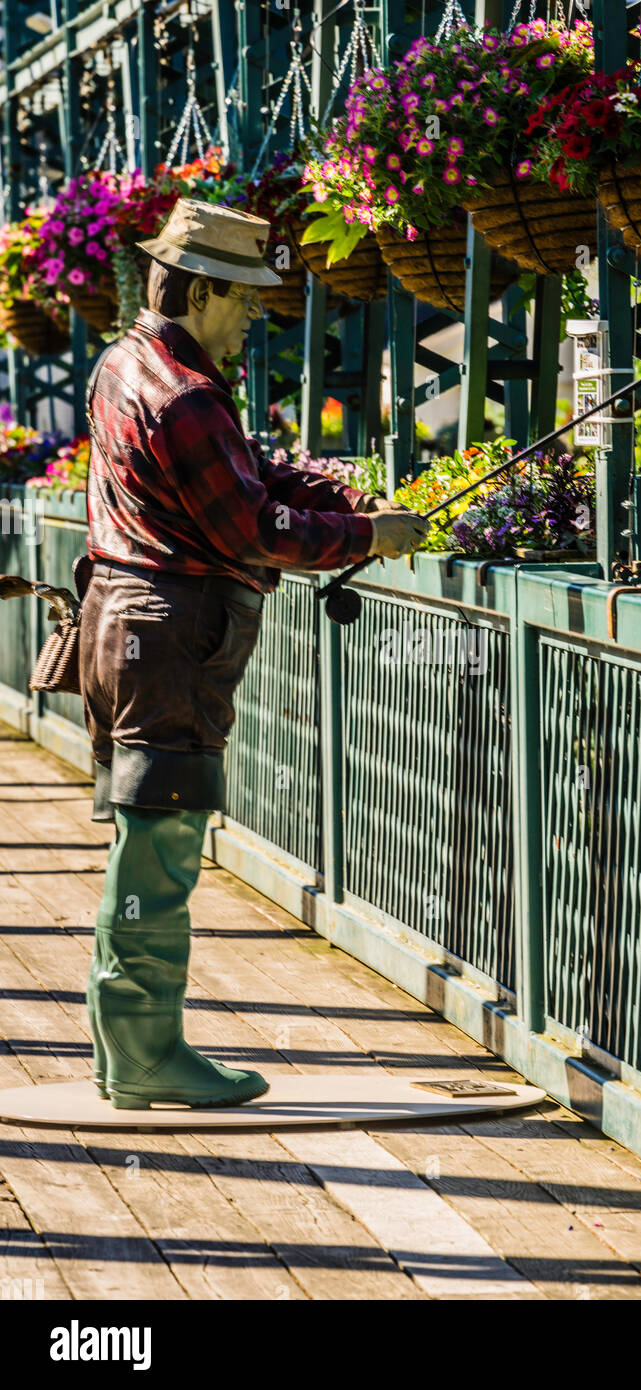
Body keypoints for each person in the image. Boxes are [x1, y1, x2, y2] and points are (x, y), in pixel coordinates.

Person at [79, 198, 429, 1110]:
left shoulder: (128, 362)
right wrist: (364, 534)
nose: (252, 317)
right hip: (174, 637)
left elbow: (230, 477)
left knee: (143, 835)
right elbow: (250, 529)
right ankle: (146, 1054)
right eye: (243, 299)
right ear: (199, 291)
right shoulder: (187, 392)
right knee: (161, 847)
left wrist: (321, 486)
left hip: (123, 622)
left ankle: (125, 1046)